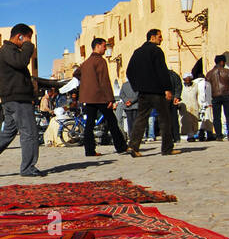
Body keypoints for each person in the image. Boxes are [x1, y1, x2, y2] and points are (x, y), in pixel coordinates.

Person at [0, 22, 43, 178]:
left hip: (13, 98)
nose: (29, 42)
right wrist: (28, 46)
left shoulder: (11, 52)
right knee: (29, 132)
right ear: (20, 36)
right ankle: (28, 167)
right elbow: (21, 62)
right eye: (27, 38)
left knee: (8, 132)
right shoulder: (8, 51)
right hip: (17, 99)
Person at [125, 29, 175, 157]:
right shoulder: (156, 51)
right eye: (159, 36)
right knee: (164, 119)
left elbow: (129, 71)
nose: (161, 39)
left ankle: (133, 146)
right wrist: (167, 88)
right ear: (152, 37)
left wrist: (137, 86)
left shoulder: (137, 52)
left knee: (141, 119)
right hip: (156, 91)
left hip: (143, 92)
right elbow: (162, 71)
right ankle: (167, 148)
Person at [76, 38, 127, 157]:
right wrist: (110, 98)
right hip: (100, 97)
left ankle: (89, 150)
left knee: (89, 124)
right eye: (104, 46)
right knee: (112, 121)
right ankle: (121, 146)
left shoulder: (86, 62)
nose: (105, 49)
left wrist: (87, 83)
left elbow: (76, 73)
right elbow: (104, 81)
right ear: (97, 46)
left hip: (88, 98)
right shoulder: (100, 61)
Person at [207, 54, 229, 141]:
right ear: (222, 62)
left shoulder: (209, 74)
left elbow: (206, 87)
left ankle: (219, 136)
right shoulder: (228, 71)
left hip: (215, 96)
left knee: (216, 117)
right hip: (226, 95)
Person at [180, 74, 213, 142]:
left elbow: (200, 95)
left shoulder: (196, 86)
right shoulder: (181, 87)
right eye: (186, 80)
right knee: (187, 122)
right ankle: (190, 136)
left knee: (195, 122)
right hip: (185, 106)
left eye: (189, 80)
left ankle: (198, 134)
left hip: (196, 105)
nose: (187, 81)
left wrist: (201, 104)